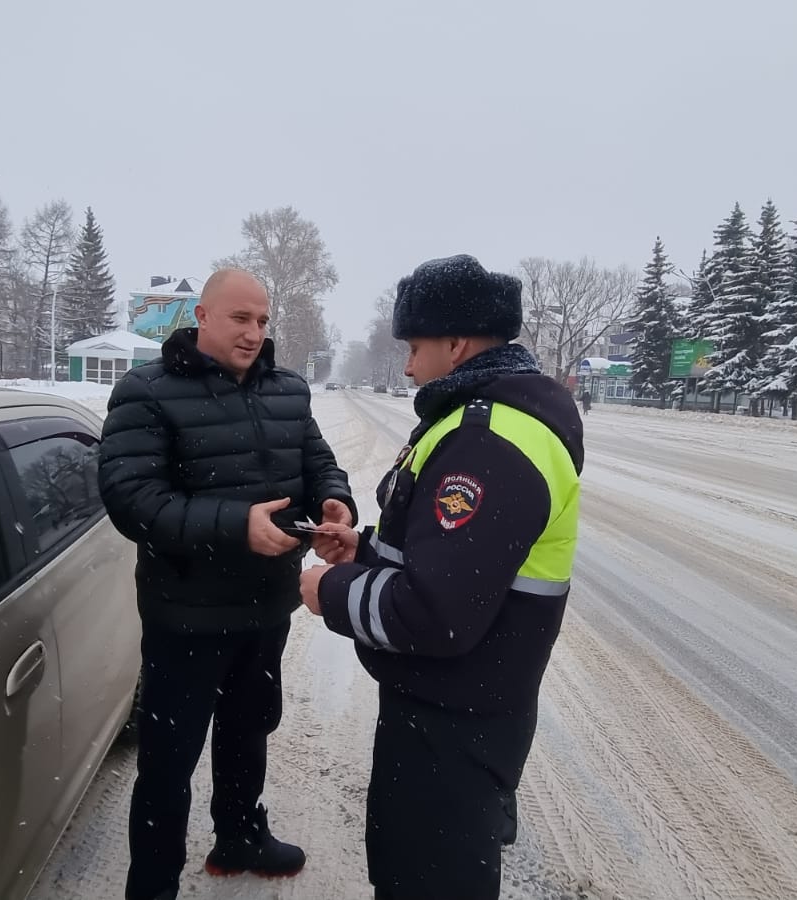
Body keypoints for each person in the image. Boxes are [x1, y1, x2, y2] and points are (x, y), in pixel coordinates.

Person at [301, 253, 584, 900]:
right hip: (458, 709)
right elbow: (442, 558)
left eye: (414, 345)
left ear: (456, 345)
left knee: (425, 880)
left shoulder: (490, 440)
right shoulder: (481, 421)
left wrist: (330, 591)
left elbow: (437, 611)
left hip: (454, 727)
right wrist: (364, 551)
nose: (405, 365)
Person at [97, 268, 357, 900]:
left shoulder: (288, 390)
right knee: (167, 762)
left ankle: (239, 836)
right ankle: (152, 886)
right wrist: (235, 526)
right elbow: (132, 499)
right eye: (240, 318)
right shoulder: (147, 391)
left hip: (266, 606)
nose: (253, 332)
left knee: (249, 729)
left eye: (263, 320)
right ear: (204, 317)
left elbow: (317, 460)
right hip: (185, 613)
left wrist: (332, 500)